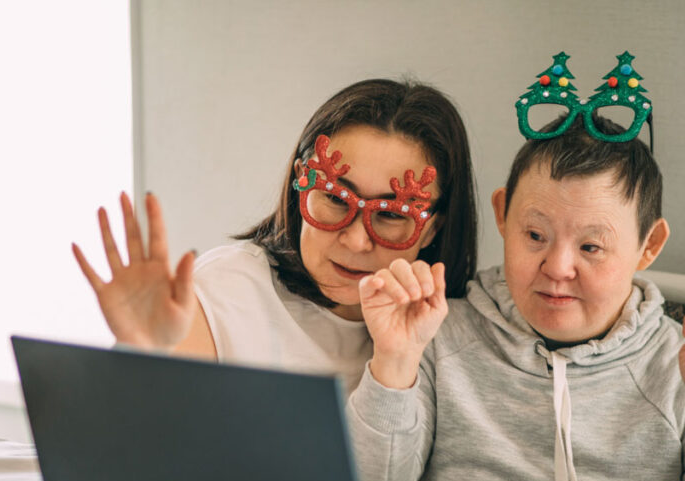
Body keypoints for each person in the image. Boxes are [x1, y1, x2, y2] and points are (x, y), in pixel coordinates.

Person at [346, 108, 685, 481]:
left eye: (591, 247)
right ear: (503, 215)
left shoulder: (677, 366)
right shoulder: (438, 335)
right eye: (535, 235)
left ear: (649, 245)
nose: (557, 268)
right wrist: (394, 362)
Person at [72, 79, 478, 393]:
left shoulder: (453, 335)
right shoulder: (224, 292)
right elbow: (127, 446)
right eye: (335, 200)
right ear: (300, 188)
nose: (356, 240)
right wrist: (144, 353)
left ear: (432, 229)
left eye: (390, 214)